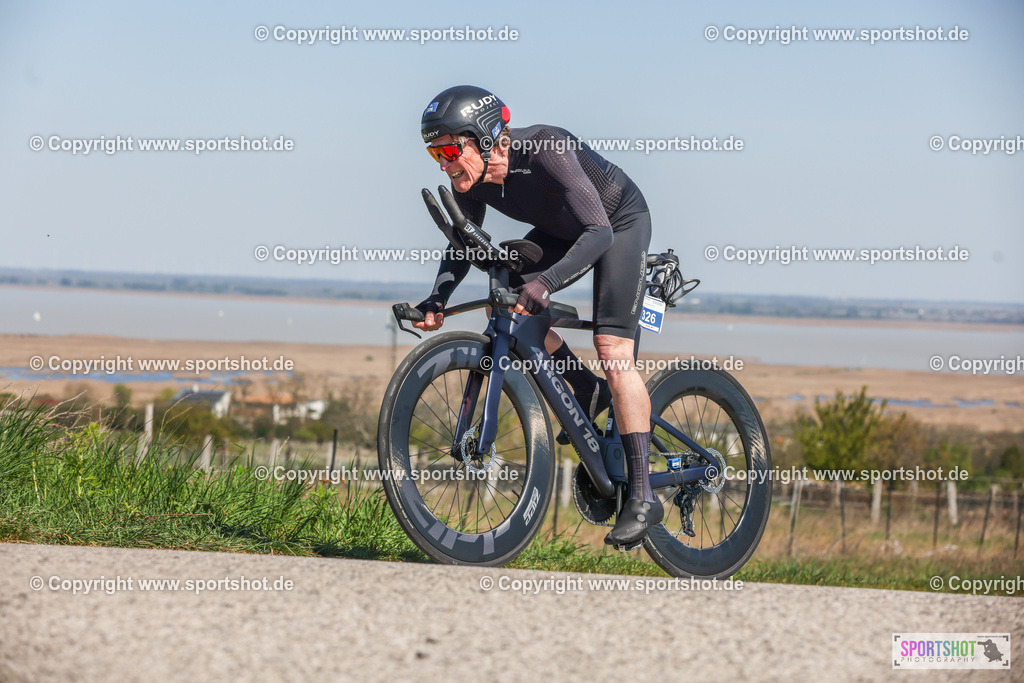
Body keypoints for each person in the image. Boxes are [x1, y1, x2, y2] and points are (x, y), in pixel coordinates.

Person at [415, 85, 662, 547]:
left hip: (616, 224)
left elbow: (599, 232)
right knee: (511, 302)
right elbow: (463, 246)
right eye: (436, 155)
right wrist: (436, 300)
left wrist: (546, 282)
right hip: (563, 231)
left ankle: (644, 497)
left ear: (486, 137)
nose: (446, 164)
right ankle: (586, 390)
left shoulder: (547, 148)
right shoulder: (468, 181)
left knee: (612, 349)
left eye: (451, 150)